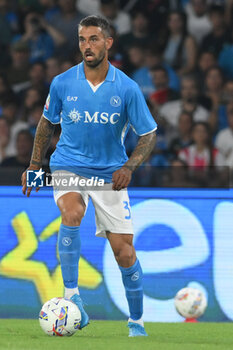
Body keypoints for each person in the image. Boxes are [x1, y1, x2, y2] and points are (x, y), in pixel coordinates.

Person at [21, 15, 157, 337]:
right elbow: (45, 123)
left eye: (94, 39)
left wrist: (129, 167)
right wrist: (34, 164)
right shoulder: (63, 82)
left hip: (110, 174)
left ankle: (136, 321)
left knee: (124, 252)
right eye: (82, 40)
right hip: (68, 165)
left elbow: (148, 134)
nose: (87, 46)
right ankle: (72, 297)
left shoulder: (127, 88)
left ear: (108, 43)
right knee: (72, 212)